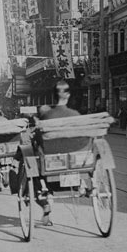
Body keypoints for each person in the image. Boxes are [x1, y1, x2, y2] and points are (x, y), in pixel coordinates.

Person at [36, 80, 81, 225]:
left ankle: (44, 200)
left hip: (51, 165)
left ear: (53, 96)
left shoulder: (47, 117)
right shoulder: (76, 115)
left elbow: (38, 139)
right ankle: (82, 185)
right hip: (77, 161)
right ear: (68, 95)